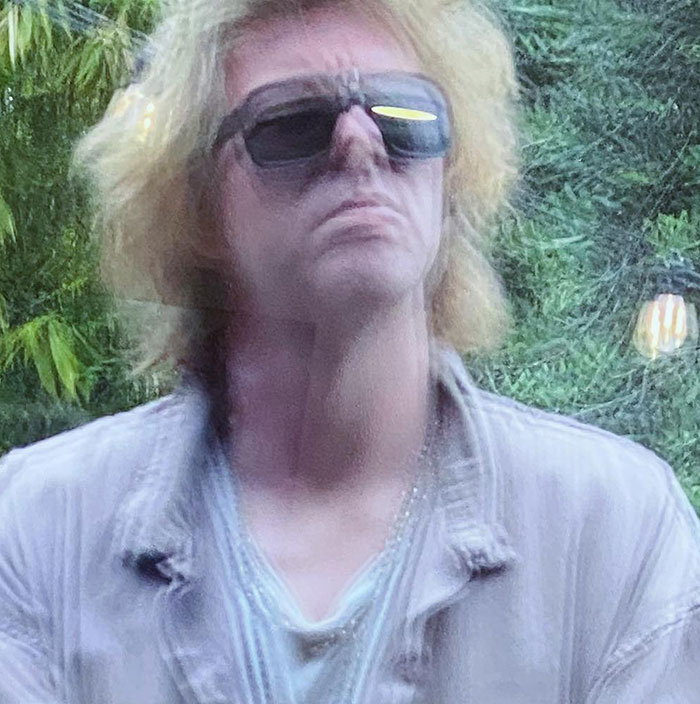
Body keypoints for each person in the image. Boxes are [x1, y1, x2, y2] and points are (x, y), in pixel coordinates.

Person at [1, 0, 698, 702]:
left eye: (406, 116)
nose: (361, 140)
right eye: (292, 124)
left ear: (449, 178)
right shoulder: (39, 531)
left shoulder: (613, 532)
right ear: (199, 208)